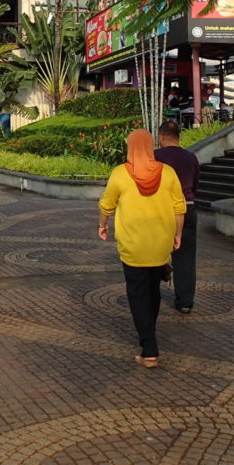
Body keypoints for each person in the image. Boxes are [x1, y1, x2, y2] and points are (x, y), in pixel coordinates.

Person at [99, 129, 186, 368]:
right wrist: (178, 234)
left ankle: (149, 347)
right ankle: (148, 334)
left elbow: (107, 203)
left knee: (137, 294)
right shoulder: (167, 173)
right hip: (160, 244)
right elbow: (179, 207)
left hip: (132, 245)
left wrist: (102, 225)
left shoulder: (119, 174)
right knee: (153, 290)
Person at [154, 121, 200, 314]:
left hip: (160, 211)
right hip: (188, 208)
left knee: (154, 254)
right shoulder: (191, 158)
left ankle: (151, 295)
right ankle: (185, 301)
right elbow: (195, 184)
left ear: (161, 137)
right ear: (178, 136)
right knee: (186, 257)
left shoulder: (154, 157)